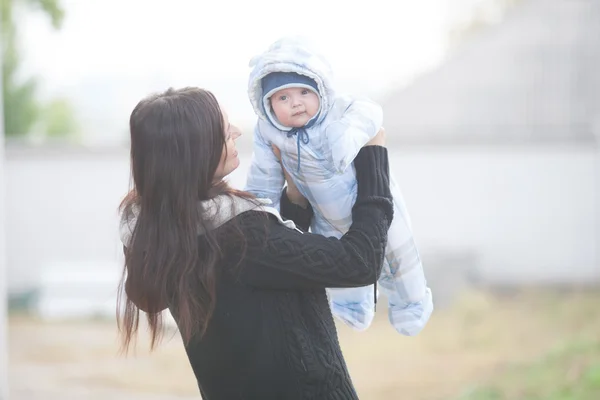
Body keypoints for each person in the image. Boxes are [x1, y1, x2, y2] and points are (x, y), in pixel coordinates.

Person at [117, 86, 393, 399]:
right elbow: (359, 262)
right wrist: (374, 158)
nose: (235, 132)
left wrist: (294, 204)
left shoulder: (156, 234)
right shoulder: (240, 234)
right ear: (193, 152)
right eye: (223, 131)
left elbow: (255, 283)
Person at [245, 37, 433, 335]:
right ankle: (354, 309)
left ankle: (411, 304)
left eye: (304, 92)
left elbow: (370, 113)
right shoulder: (270, 133)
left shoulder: (338, 111)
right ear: (267, 105)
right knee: (338, 264)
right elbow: (263, 176)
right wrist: (258, 210)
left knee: (399, 255)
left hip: (371, 199)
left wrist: (346, 137)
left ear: (321, 89)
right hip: (324, 214)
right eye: (282, 98)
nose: (295, 102)